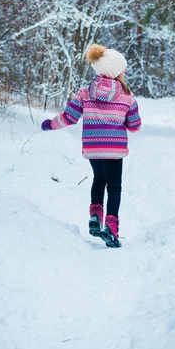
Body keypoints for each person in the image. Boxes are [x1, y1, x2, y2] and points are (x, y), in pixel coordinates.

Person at [41, 44, 141, 248]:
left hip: (93, 147)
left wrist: (51, 124)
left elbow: (69, 117)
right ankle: (111, 228)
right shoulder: (127, 97)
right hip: (114, 149)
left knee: (99, 179)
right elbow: (135, 125)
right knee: (114, 187)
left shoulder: (85, 92)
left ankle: (95, 215)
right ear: (116, 71)